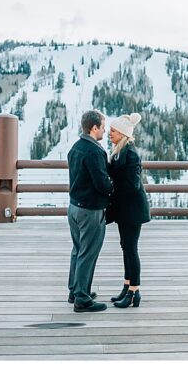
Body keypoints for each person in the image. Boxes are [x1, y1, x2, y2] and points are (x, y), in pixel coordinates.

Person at [67, 110, 114, 312]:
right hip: (90, 210)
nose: (105, 130)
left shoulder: (76, 147)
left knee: (78, 250)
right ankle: (82, 299)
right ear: (94, 128)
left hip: (74, 207)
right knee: (88, 253)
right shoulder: (94, 151)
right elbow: (102, 183)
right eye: (103, 126)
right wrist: (112, 186)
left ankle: (75, 290)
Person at [106, 113, 150, 308]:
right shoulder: (119, 151)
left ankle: (134, 291)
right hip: (126, 209)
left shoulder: (130, 154)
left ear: (123, 133)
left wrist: (112, 186)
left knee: (131, 249)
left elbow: (132, 184)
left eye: (113, 131)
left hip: (132, 209)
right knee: (126, 247)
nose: (110, 133)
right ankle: (127, 287)